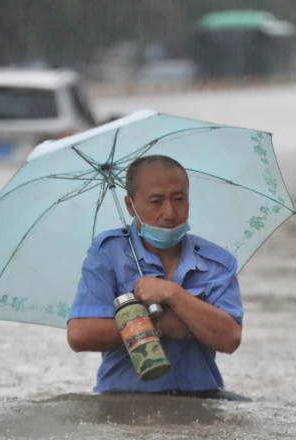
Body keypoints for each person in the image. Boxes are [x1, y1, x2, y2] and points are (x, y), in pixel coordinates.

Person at [66, 155, 243, 397]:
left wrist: (173, 294)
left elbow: (230, 339)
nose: (170, 213)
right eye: (156, 201)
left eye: (179, 199)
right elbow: (80, 335)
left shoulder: (217, 263)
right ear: (130, 206)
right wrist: (162, 325)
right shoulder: (108, 254)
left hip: (201, 399)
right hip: (124, 400)